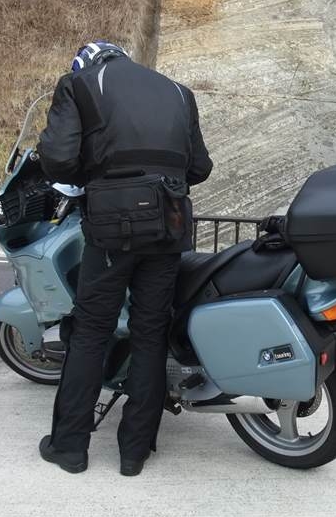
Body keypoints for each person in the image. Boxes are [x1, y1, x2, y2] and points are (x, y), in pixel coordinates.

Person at [35, 40, 213, 476]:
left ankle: (69, 448)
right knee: (151, 333)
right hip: (168, 225)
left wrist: (98, 178)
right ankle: (134, 453)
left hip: (112, 229)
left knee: (91, 331)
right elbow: (199, 168)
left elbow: (57, 158)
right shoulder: (178, 91)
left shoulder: (79, 83)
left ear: (86, 61)